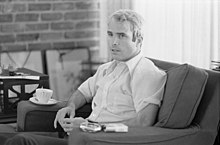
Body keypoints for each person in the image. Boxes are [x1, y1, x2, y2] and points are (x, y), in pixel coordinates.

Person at [5, 9, 167, 145]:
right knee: (10, 138)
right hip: (81, 138)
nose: (114, 42)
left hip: (104, 140)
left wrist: (89, 126)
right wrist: (70, 107)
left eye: (122, 35)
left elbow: (144, 122)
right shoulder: (107, 69)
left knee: (21, 142)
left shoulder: (146, 72)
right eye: (110, 34)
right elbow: (83, 92)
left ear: (138, 40)